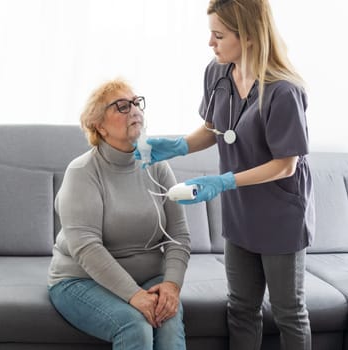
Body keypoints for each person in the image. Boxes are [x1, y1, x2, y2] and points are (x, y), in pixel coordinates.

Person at [137, 1, 314, 349]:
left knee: (288, 312)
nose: (210, 43)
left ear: (248, 36)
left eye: (218, 35)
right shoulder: (217, 73)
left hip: (280, 215)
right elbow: (214, 130)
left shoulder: (283, 90)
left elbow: (286, 164)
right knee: (241, 308)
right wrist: (179, 145)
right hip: (240, 213)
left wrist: (224, 181)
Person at [47, 78, 191, 350]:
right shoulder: (82, 172)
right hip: (80, 280)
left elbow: (178, 235)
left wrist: (171, 285)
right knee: (134, 324)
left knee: (169, 326)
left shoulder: (158, 166)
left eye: (136, 103)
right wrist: (134, 295)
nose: (134, 110)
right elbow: (87, 248)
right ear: (99, 126)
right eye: (122, 106)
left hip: (150, 278)